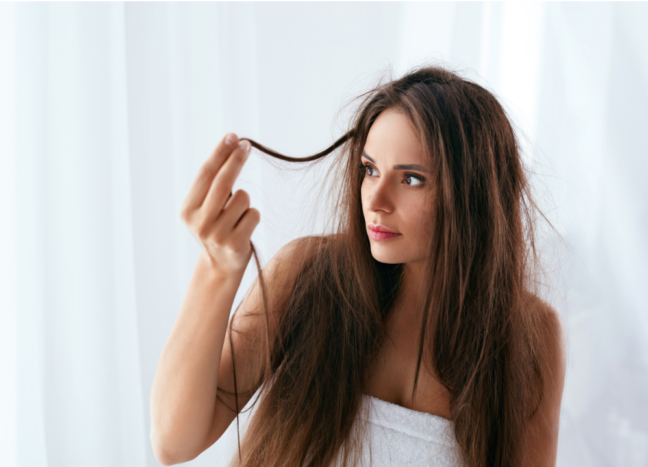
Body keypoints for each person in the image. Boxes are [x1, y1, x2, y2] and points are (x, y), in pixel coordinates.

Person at [150, 66, 567, 467]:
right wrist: (217, 269)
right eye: (369, 169)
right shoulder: (308, 275)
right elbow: (174, 443)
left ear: (473, 193)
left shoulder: (527, 334)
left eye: (411, 179)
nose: (375, 200)